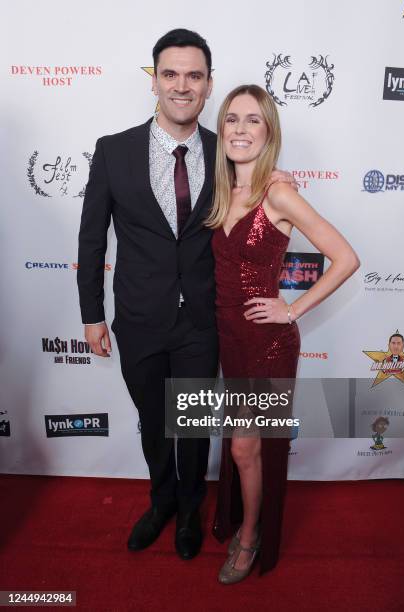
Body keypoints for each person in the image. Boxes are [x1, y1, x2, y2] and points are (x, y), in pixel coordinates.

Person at [77, 29, 296, 561]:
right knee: (154, 422)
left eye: (194, 76)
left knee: (192, 427)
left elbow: (259, 192)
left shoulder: (228, 152)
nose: (182, 86)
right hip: (138, 317)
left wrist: (278, 181)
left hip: (202, 322)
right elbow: (91, 238)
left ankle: (192, 512)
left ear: (208, 85)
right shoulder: (113, 151)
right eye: (171, 74)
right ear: (154, 81)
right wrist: (92, 315)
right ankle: (161, 502)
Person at [207, 84, 360, 583]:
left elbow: (346, 259)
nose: (241, 129)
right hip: (231, 339)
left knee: (245, 447)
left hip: (268, 344)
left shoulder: (279, 193)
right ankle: (241, 519)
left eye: (253, 120)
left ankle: (250, 536)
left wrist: (292, 309)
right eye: (232, 119)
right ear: (222, 129)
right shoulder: (223, 190)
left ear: (268, 130)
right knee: (240, 444)